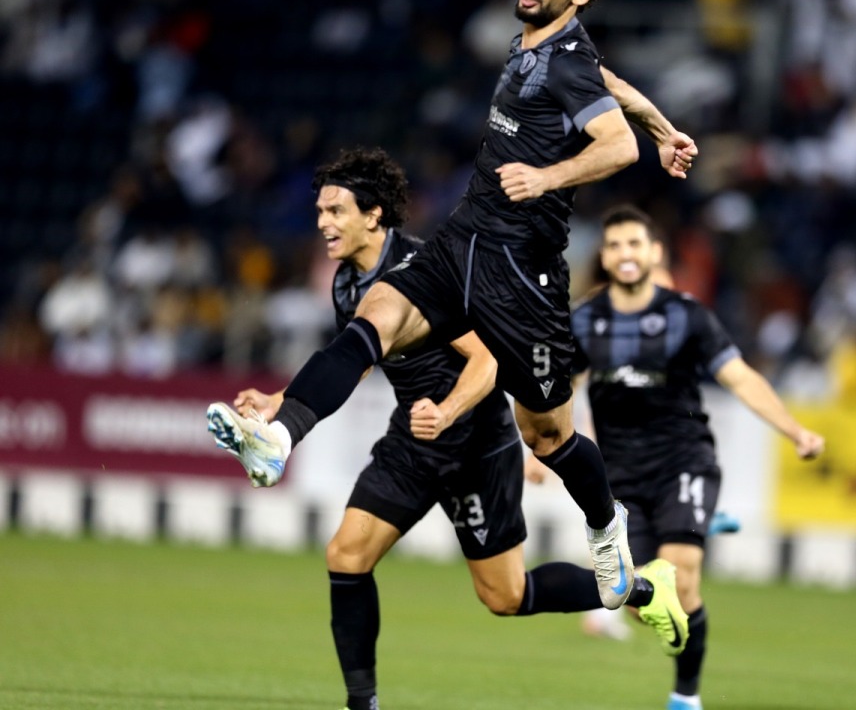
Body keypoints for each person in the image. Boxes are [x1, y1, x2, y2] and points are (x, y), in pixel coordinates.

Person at [205, 0, 698, 614]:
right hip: (463, 239)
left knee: (549, 436)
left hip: (524, 274)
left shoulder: (566, 60)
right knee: (375, 314)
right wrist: (664, 124)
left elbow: (614, 148)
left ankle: (605, 524)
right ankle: (280, 436)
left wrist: (548, 178)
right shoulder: (539, 44)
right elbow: (612, 85)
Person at [217, 147, 690, 710]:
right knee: (346, 555)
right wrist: (280, 400)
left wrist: (448, 410)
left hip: (475, 443)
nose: (322, 223)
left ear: (373, 215)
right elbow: (356, 359)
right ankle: (361, 704)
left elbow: (489, 360)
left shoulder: (428, 270)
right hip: (411, 440)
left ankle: (642, 586)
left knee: (505, 595)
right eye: (320, 212)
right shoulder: (347, 285)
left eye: (335, 211)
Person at [528, 204, 824, 710]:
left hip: (682, 463)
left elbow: (741, 377)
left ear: (655, 253)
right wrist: (540, 451)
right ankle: (693, 538)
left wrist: (794, 430)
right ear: (605, 255)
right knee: (637, 600)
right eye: (616, 244)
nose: (625, 253)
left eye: (635, 244)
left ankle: (685, 696)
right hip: (619, 477)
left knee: (683, 576)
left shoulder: (687, 316)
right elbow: (560, 390)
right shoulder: (585, 321)